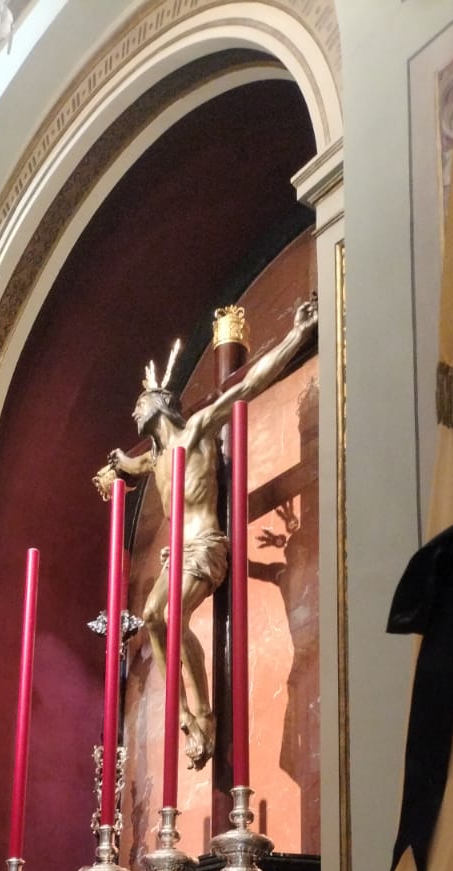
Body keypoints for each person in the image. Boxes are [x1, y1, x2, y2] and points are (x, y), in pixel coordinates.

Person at [106, 295, 317, 769]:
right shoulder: (156, 458)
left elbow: (248, 386)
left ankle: (201, 711)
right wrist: (112, 469)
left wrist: (297, 335)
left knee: (171, 616)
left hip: (204, 545)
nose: (135, 410)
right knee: (152, 617)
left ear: (161, 406)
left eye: (141, 403)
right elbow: (127, 465)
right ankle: (182, 712)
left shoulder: (197, 430)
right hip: (176, 555)